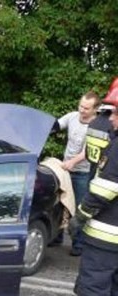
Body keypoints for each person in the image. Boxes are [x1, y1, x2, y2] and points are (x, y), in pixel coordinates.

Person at [59, 102, 118, 296]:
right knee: (115, 287)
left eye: (116, 114)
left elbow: (105, 188)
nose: (111, 120)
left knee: (93, 285)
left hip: (107, 232)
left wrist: (80, 216)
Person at [54, 91, 100, 255]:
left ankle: (78, 245)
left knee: (80, 208)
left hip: (82, 173)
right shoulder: (72, 116)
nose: (82, 110)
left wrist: (72, 163)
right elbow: (55, 126)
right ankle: (56, 237)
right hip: (65, 170)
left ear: (95, 109)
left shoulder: (96, 126)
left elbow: (88, 151)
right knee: (60, 203)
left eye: (86, 108)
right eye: (81, 106)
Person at [85, 78, 118, 180]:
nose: (112, 118)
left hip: (94, 177)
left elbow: (88, 155)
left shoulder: (94, 121)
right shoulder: (112, 126)